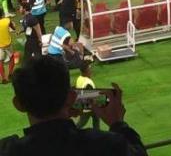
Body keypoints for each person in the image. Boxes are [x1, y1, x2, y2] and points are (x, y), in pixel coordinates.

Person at [0, 56, 146, 156]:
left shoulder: (8, 150)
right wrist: (118, 124)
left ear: (18, 104)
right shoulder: (105, 144)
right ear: (71, 96)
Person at [74, 63, 99, 130]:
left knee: (96, 118)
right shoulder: (88, 82)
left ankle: (97, 133)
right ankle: (71, 133)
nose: (91, 70)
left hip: (81, 103)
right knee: (82, 122)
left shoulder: (79, 78)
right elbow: (91, 97)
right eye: (89, 69)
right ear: (86, 71)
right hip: (87, 106)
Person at [0, 7, 16, 84]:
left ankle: (3, 78)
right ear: (2, 14)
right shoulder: (7, 20)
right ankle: (10, 74)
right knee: (12, 57)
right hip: (8, 44)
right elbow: (13, 28)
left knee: (0, 61)